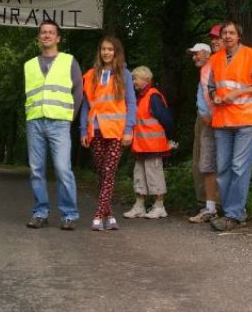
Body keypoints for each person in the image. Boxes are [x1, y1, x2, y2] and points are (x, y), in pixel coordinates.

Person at [208, 20, 252, 231]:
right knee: (223, 169)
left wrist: (238, 93)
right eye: (224, 33)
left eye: (231, 33)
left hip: (246, 121)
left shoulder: (251, 56)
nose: (227, 36)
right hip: (223, 122)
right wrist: (215, 95)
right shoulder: (215, 59)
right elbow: (211, 87)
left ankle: (233, 214)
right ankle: (232, 212)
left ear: (238, 36)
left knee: (238, 167)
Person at [24, 19, 83, 230]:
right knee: (36, 170)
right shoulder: (29, 65)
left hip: (59, 122)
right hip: (35, 122)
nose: (47, 35)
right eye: (43, 32)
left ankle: (69, 214)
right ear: (39, 37)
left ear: (58, 38)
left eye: (51, 32)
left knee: (62, 169)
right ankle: (40, 213)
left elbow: (78, 91)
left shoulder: (69, 61)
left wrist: (70, 116)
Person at [80, 35, 137, 231]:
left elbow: (131, 103)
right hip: (94, 130)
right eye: (103, 49)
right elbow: (86, 106)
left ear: (116, 52)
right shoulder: (90, 75)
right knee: (103, 174)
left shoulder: (125, 74)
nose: (106, 52)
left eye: (110, 49)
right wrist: (82, 131)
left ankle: (98, 215)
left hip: (116, 131)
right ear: (99, 52)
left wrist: (129, 129)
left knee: (109, 172)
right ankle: (109, 215)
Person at [123, 66, 175, 220]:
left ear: (145, 79)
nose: (133, 82)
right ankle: (139, 206)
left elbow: (167, 120)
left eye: (135, 78)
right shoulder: (140, 97)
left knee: (154, 175)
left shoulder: (153, 97)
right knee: (139, 175)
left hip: (153, 145)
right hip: (141, 145)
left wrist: (170, 139)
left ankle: (159, 206)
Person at [188, 40, 221, 223]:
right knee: (206, 163)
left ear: (207, 53)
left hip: (221, 121)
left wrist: (207, 114)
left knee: (220, 163)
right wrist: (203, 114)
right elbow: (202, 95)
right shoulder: (205, 70)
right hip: (209, 120)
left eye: (196, 53)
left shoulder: (217, 65)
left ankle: (227, 206)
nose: (194, 57)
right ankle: (210, 206)